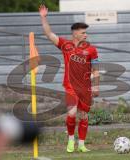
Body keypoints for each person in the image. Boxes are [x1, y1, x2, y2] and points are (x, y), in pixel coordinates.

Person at [39, 5, 100, 153]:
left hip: (85, 88)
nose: (86, 35)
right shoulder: (65, 45)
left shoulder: (92, 49)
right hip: (70, 86)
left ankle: (82, 144)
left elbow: (96, 70)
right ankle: (71, 141)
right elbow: (49, 34)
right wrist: (43, 17)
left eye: (86, 33)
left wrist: (96, 86)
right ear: (75, 34)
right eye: (83, 33)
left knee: (83, 116)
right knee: (71, 114)